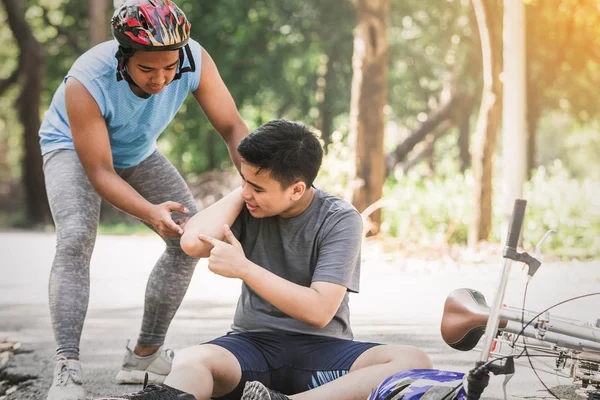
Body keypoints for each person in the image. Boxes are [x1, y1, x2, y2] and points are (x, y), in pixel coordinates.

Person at [96, 120, 432, 400]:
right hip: (250, 346)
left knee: (412, 360)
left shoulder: (340, 219)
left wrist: (244, 268)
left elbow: (318, 311)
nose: (246, 193)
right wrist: (247, 189)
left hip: (323, 353)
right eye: (243, 180)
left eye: (257, 187)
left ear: (297, 190)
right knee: (191, 360)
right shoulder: (246, 204)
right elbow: (192, 244)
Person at [39, 0, 248, 399]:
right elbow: (99, 170)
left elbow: (232, 126)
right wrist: (150, 212)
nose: (161, 80)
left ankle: (144, 354)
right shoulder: (86, 80)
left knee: (188, 239)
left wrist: (257, 178)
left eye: (170, 68)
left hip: (136, 150)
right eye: (148, 69)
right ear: (123, 58)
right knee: (75, 238)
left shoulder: (195, 60)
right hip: (71, 148)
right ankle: (66, 367)